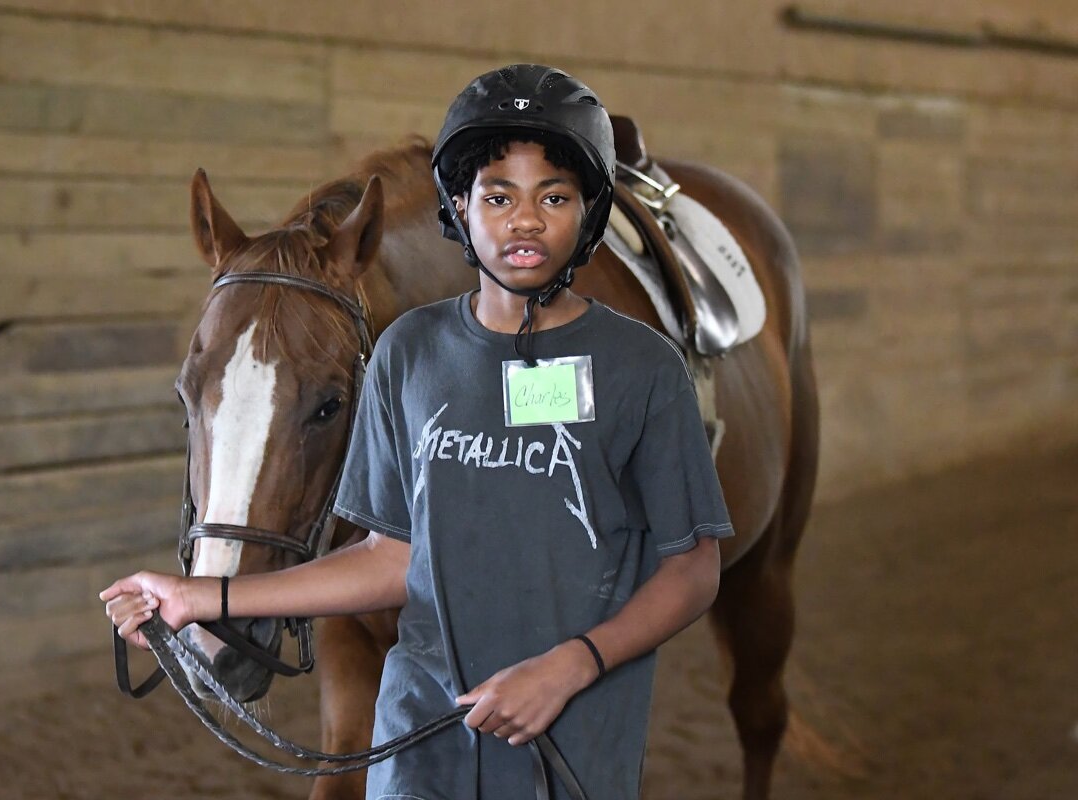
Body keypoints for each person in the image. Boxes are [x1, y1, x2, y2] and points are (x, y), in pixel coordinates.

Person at [102, 63, 733, 800]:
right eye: (497, 197)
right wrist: (203, 597)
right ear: (459, 210)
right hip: (419, 746)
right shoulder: (406, 355)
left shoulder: (642, 369)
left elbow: (693, 568)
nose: (524, 219)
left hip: (568, 743)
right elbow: (391, 556)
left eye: (554, 197)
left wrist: (572, 667)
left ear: (588, 213)